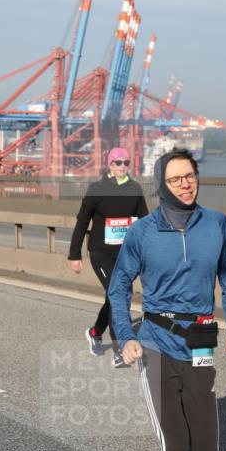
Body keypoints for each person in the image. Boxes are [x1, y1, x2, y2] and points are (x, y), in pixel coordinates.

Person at [107, 148, 226, 451]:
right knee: (176, 442)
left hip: (201, 342)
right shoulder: (143, 233)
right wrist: (125, 335)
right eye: (176, 179)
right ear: (161, 185)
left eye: (191, 176)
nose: (186, 184)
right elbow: (119, 287)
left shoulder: (217, 224)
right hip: (155, 340)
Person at [68, 147, 148, 367]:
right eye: (118, 162)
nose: (123, 167)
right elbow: (82, 220)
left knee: (114, 297)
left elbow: (144, 222)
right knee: (119, 294)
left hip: (127, 254)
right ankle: (119, 350)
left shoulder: (135, 188)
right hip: (101, 253)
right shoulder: (97, 189)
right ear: (110, 165)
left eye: (126, 163)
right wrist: (74, 255)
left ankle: (95, 332)